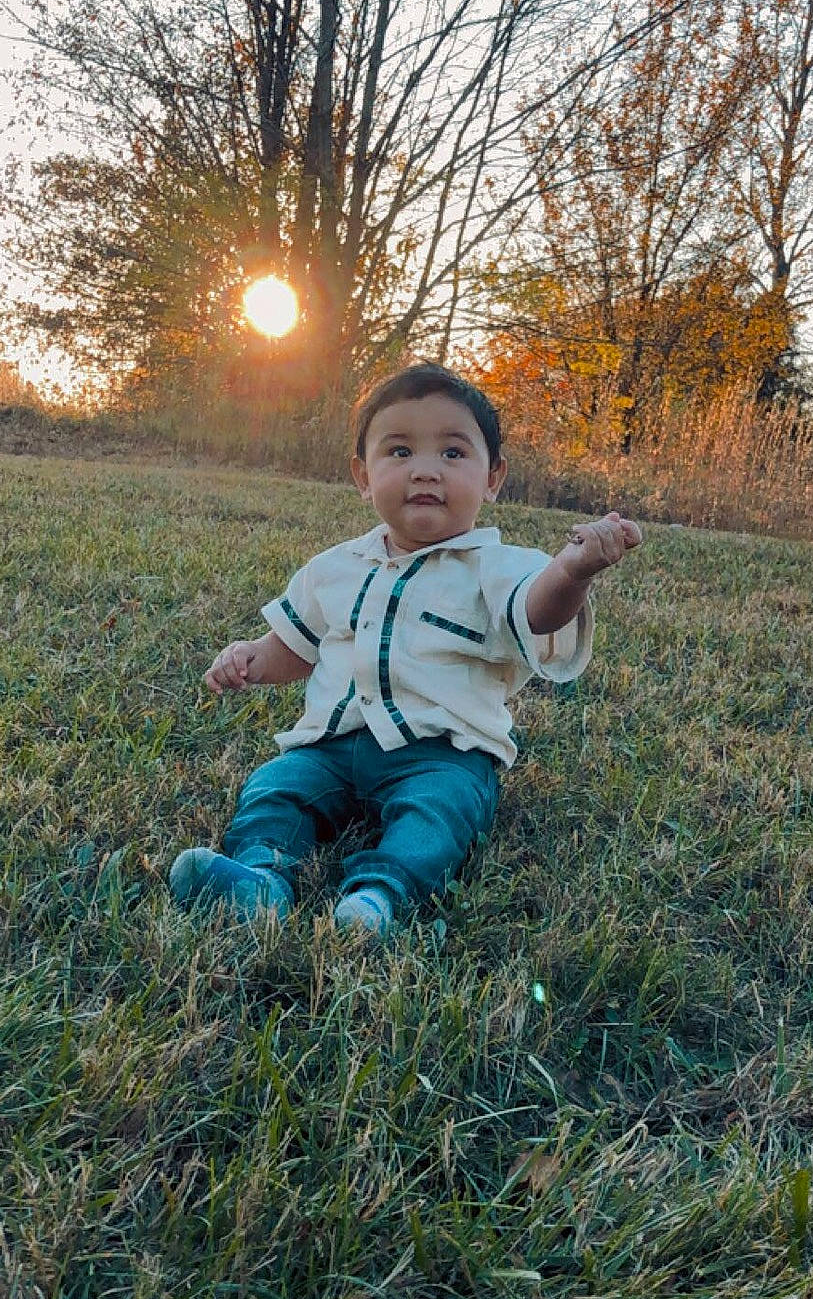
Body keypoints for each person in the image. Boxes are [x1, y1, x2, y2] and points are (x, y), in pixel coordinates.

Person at [170, 364, 643, 936]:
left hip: (443, 753)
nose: (424, 470)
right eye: (398, 452)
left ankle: (379, 899)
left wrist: (574, 569)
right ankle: (260, 878)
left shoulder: (498, 567)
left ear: (493, 477)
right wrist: (250, 655)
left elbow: (539, 610)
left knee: (435, 816)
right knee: (275, 788)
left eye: (452, 453)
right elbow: (298, 646)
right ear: (362, 476)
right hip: (331, 746)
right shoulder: (333, 568)